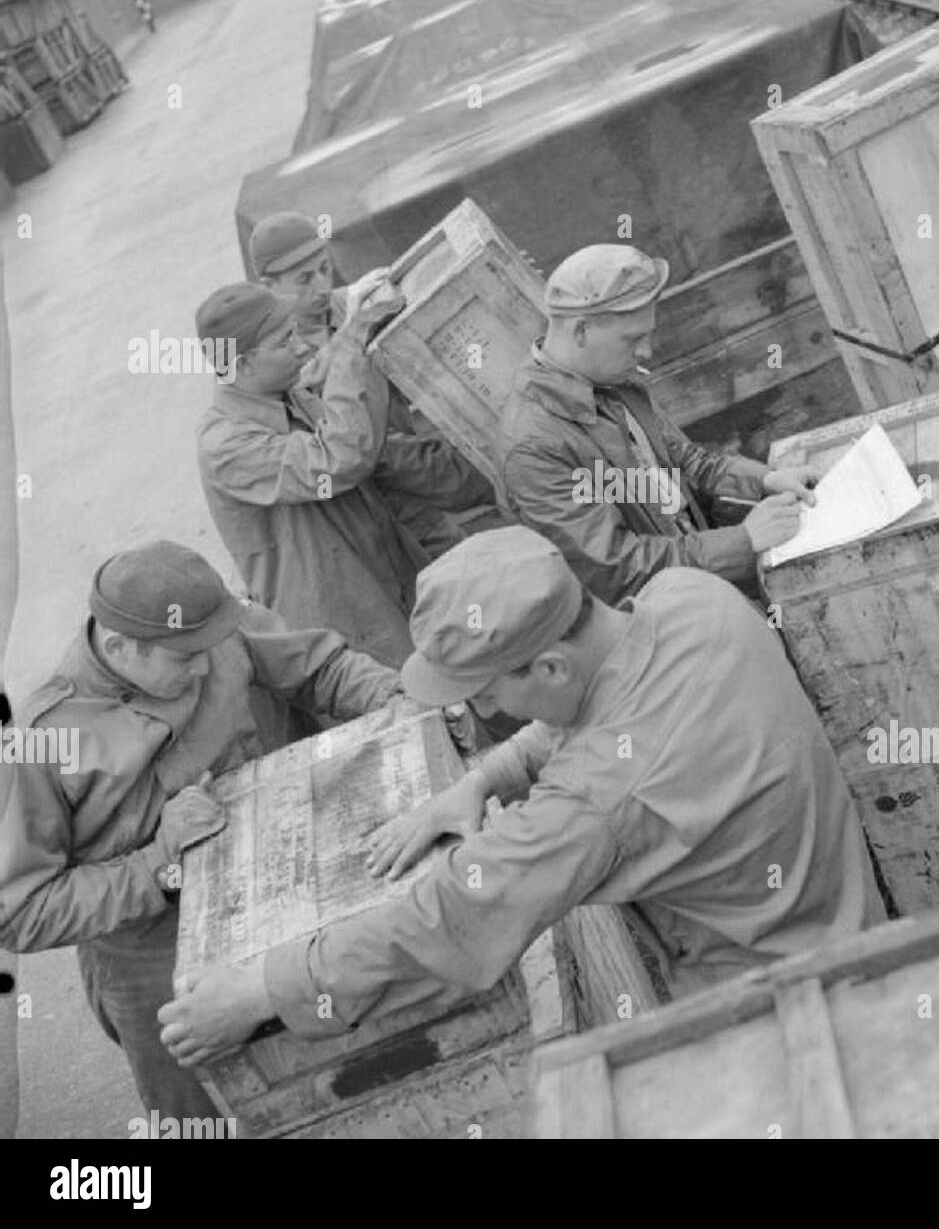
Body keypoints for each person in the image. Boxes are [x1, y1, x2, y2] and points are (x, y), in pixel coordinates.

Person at [157, 528, 883, 1065]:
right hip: (849, 916)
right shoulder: (687, 598)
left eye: (490, 690)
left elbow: (449, 915)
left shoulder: (595, 804)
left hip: (779, 1013)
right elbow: (612, 705)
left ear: (551, 665)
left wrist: (258, 991)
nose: (487, 710)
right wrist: (483, 777)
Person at [0, 541, 402, 1121]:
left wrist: (393, 696)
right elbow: (20, 911)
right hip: (152, 948)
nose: (206, 666)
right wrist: (158, 864)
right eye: (182, 660)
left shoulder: (208, 630)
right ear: (118, 647)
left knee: (344, 1048)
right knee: (201, 1111)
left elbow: (318, 666)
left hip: (276, 872)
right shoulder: (40, 745)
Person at [497, 243, 820, 604]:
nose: (646, 352)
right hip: (657, 623)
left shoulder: (612, 380)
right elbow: (617, 568)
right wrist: (742, 542)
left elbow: (687, 462)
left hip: (698, 584)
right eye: (633, 339)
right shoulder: (533, 447)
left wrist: (764, 480)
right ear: (581, 331)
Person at [196, 281, 449, 668]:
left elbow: (385, 459)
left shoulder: (287, 394)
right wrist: (354, 337)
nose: (301, 347)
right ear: (241, 364)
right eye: (284, 341)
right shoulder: (226, 446)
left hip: (389, 588)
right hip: (342, 637)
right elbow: (340, 458)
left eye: (296, 332)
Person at [248, 210, 502, 556]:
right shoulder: (271, 351)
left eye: (324, 269)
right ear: (269, 287)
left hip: (415, 484)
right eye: (304, 279)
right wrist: (355, 328)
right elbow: (304, 387)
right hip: (363, 504)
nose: (321, 286)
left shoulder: (348, 303)